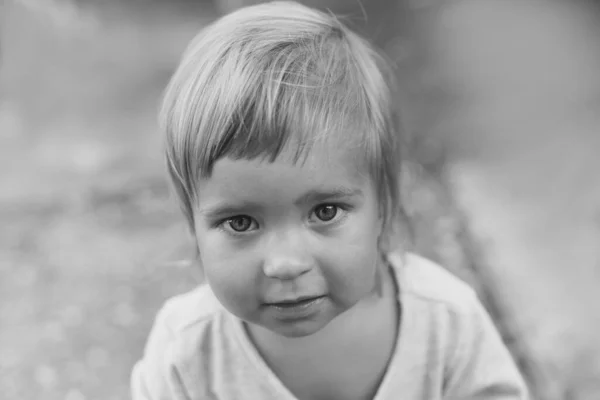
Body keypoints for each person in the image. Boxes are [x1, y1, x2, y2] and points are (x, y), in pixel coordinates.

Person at [131, 2, 528, 399]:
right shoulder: (186, 352)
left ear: (383, 207)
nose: (286, 264)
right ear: (194, 226)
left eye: (325, 211)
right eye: (240, 222)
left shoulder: (445, 323)